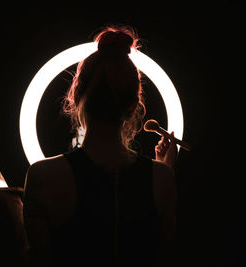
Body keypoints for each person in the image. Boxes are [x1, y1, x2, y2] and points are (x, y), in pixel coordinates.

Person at [23, 26, 178, 267]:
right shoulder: (162, 178)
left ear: (75, 97)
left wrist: (5, 210)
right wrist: (162, 173)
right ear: (134, 105)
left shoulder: (42, 176)